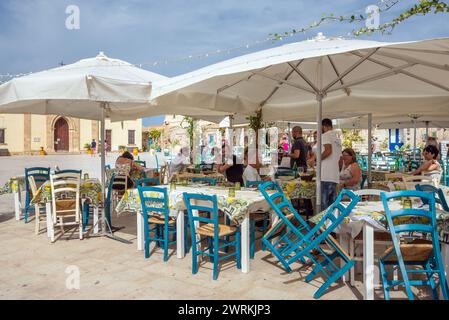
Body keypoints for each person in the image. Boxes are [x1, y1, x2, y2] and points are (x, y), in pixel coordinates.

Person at [320, 118, 342, 210]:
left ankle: (325, 224)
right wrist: (337, 171)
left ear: (323, 126)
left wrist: (317, 159)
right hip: (334, 175)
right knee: (332, 205)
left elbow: (328, 150)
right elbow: (340, 159)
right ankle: (332, 224)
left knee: (325, 205)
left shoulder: (325, 135)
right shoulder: (337, 139)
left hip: (326, 175)